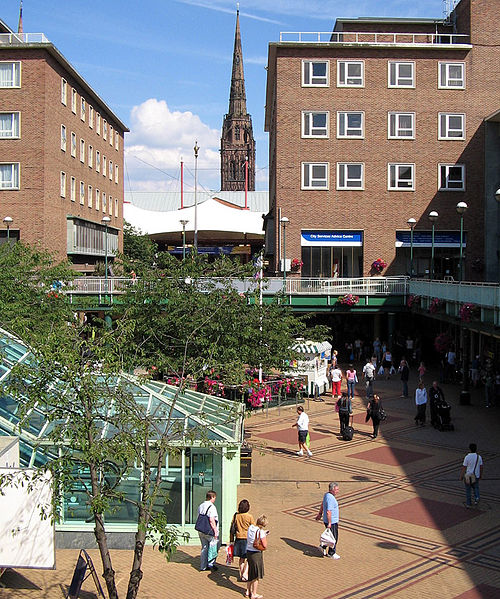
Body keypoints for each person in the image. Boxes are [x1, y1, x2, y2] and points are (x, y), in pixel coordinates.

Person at [230, 499, 255, 582]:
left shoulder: (236, 516)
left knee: (241, 558)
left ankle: (242, 574)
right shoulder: (249, 516)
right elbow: (254, 528)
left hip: (238, 538)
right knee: (249, 557)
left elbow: (232, 527)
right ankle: (245, 573)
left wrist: (231, 540)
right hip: (247, 539)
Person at [315, 482, 340, 559]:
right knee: (334, 538)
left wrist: (320, 514)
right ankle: (331, 553)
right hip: (332, 521)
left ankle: (323, 547)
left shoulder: (326, 495)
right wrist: (329, 523)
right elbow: (328, 511)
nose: (338, 491)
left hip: (330, 520)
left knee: (329, 536)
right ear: (332, 490)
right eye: (336, 489)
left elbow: (322, 504)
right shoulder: (330, 498)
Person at [246, 515, 269, 599]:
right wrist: (265, 535)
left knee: (250, 572)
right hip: (256, 553)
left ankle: (248, 591)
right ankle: (254, 593)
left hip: (248, 551)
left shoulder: (250, 527)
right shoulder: (261, 532)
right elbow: (265, 545)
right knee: (256, 575)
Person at [197, 490, 219, 571]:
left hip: (201, 530)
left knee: (204, 547)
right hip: (209, 530)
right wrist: (215, 531)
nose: (215, 499)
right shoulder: (212, 507)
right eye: (214, 497)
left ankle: (203, 566)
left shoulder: (201, 505)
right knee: (213, 546)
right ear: (212, 497)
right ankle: (211, 563)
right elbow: (211, 520)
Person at [460, 443, 483, 508]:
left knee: (468, 490)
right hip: (476, 476)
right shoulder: (479, 457)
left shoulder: (467, 457)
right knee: (476, 487)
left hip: (468, 476)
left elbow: (464, 467)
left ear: (469, 449)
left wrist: (461, 476)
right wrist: (481, 475)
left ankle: (468, 503)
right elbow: (481, 467)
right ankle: (477, 497)